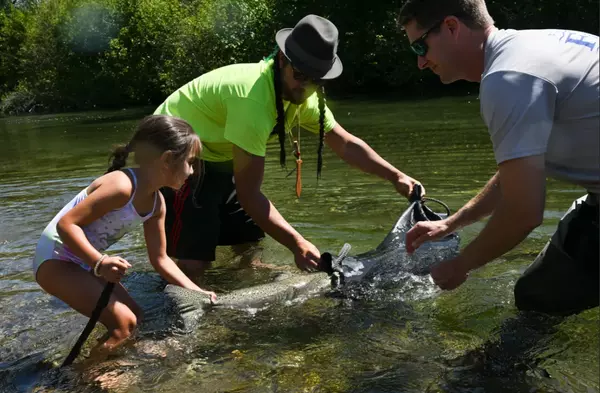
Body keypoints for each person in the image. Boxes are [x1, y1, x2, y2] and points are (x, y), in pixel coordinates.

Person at [155, 14, 424, 278]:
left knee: (249, 246)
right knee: (194, 264)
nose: (306, 87)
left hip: (220, 151)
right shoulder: (254, 101)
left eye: (317, 80)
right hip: (175, 156)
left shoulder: (303, 94)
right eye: (300, 75)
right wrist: (297, 243)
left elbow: (344, 143)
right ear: (282, 60)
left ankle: (238, 285)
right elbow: (250, 196)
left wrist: (395, 176)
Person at [397, 0, 599, 315]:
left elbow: (524, 212)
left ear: (451, 27)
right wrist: (453, 223)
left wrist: (461, 265)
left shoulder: (508, 78)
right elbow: (518, 175)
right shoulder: (526, 49)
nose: (420, 63)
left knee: (538, 299)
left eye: (420, 48)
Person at [33, 115, 217, 354]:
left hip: (82, 261)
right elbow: (66, 225)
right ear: (168, 159)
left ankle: (102, 367)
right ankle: (85, 379)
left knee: (136, 317)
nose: (192, 171)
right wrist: (100, 262)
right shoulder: (122, 187)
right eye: (190, 162)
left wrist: (197, 292)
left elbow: (160, 259)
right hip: (55, 259)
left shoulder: (156, 204)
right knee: (123, 324)